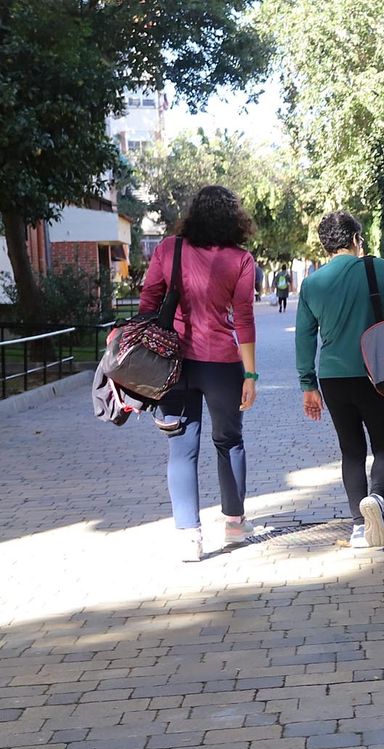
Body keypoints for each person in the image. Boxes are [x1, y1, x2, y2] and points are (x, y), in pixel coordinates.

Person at [141, 185, 260, 561]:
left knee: (181, 447)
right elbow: (243, 318)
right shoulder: (241, 260)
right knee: (229, 441)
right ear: (233, 219)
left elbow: (148, 301)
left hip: (173, 363)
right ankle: (234, 523)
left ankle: (189, 536)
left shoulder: (167, 249)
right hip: (222, 364)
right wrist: (252, 375)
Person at [296, 211, 384, 550]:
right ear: (355, 239)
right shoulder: (378, 268)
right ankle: (376, 500)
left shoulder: (312, 283)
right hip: (376, 373)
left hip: (333, 378)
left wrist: (308, 385)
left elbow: (305, 338)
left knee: (351, 451)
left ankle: (357, 529)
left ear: (325, 245)